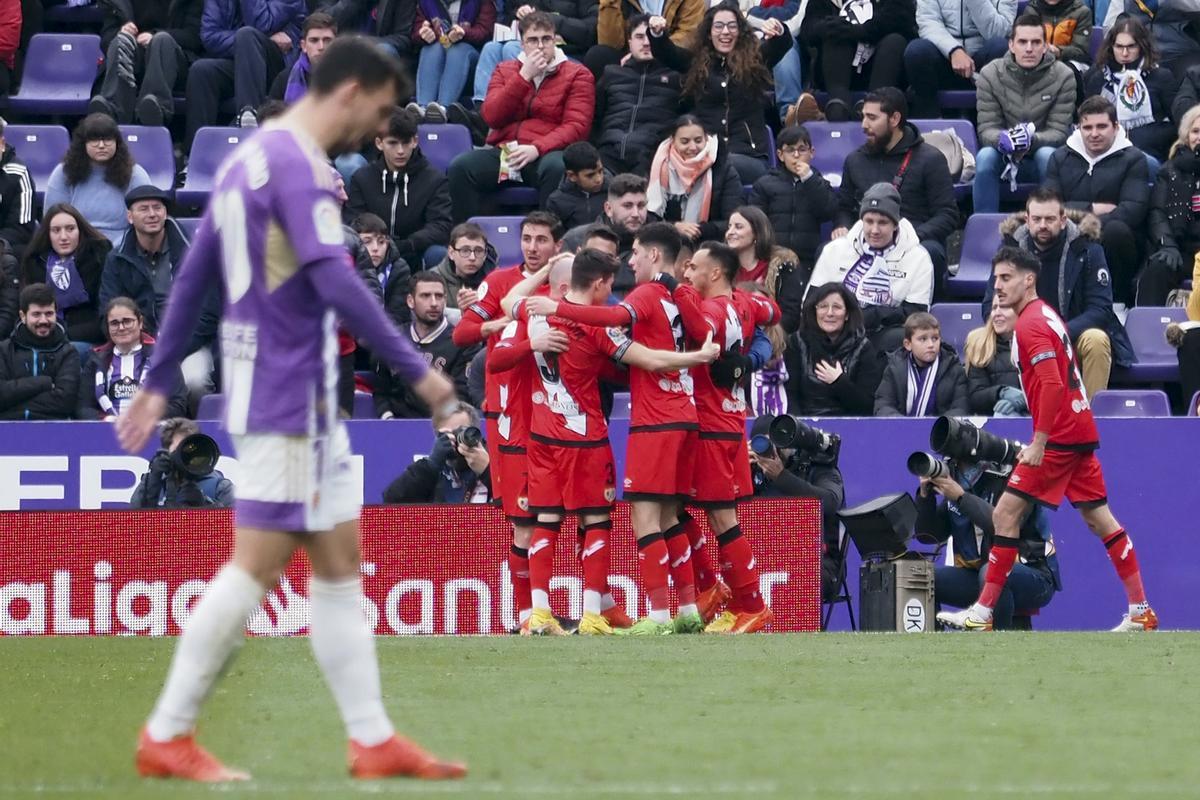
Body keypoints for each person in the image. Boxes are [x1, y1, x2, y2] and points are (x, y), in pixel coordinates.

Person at [114, 36, 466, 781]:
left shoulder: (248, 157)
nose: (371, 131)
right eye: (372, 113)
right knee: (255, 569)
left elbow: (195, 273)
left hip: (280, 389)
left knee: (341, 565)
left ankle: (372, 738)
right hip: (288, 391)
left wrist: (156, 374)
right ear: (350, 90)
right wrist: (421, 375)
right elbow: (334, 283)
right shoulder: (302, 168)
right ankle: (168, 733)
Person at [937, 246, 1158, 632]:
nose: (999, 286)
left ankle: (983, 612)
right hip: (1078, 429)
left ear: (1029, 279)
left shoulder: (1030, 324)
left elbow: (1054, 383)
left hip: (1058, 436)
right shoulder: (1046, 316)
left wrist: (1039, 440)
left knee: (1005, 515)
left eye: (1006, 278)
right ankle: (1140, 609)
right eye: (996, 278)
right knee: (1099, 520)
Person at [500, 249, 719, 635]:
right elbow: (649, 360)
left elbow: (506, 300)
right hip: (584, 438)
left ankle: (539, 614)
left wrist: (543, 274)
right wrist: (698, 356)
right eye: (609, 285)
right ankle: (590, 615)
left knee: (547, 521)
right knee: (597, 521)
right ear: (600, 283)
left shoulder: (537, 312)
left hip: (542, 435)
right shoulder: (599, 328)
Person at [451, 210, 564, 636]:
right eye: (528, 239)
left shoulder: (566, 283)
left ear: (557, 245)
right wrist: (504, 321)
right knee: (523, 517)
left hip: (560, 412)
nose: (533, 247)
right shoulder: (500, 283)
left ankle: (588, 606)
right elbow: (463, 334)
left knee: (569, 515)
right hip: (510, 415)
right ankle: (526, 615)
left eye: (542, 240)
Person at [447, 11, 596, 221]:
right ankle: (466, 241)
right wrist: (523, 77)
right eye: (533, 40)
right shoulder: (505, 70)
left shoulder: (578, 74)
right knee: (461, 167)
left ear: (556, 41)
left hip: (546, 152)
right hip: (507, 152)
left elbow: (577, 126)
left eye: (546, 39)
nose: (541, 46)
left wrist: (537, 148)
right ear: (522, 43)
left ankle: (547, 237)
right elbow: (491, 117)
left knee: (557, 167)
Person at [991, 188, 1134, 399]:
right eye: (1037, 219)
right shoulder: (1010, 251)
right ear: (1027, 220)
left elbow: (1100, 309)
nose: (1042, 226)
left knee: (1096, 339)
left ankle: (1091, 418)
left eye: (1049, 219)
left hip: (1072, 333)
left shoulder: (1088, 249)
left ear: (1063, 219)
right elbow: (990, 302)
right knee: (978, 337)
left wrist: (1058, 332)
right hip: (1025, 335)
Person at [648, 2, 793, 184]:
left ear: (740, 32)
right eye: (719, 26)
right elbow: (666, 52)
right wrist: (656, 33)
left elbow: (782, 44)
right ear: (709, 33)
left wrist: (779, 30)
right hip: (705, 156)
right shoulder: (696, 62)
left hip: (749, 157)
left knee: (719, 167)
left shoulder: (755, 61)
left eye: (732, 26)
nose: (726, 32)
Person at [99, 185, 219, 401]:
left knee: (195, 383)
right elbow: (109, 308)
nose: (152, 214)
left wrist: (173, 348)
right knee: (126, 388)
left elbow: (209, 312)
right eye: (143, 209)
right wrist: (147, 348)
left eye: (157, 207)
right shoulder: (116, 258)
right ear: (130, 216)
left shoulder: (195, 252)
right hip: (138, 346)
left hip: (188, 344)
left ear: (165, 213)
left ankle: (190, 434)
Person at [833, 89, 959, 293]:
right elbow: (844, 207)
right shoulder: (855, 160)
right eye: (863, 117)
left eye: (872, 118)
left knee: (930, 252)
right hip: (866, 238)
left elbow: (948, 214)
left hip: (914, 241)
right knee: (827, 251)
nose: (864, 125)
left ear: (895, 119)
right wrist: (843, 226)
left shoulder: (930, 159)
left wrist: (911, 237)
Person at [916, 452, 1059, 630]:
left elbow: (1001, 526)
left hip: (1035, 577)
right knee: (925, 580)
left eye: (964, 466)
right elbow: (927, 535)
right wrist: (925, 497)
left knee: (991, 570)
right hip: (979, 576)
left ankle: (999, 644)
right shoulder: (955, 493)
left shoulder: (1010, 484)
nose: (960, 471)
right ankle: (933, 649)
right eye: (954, 464)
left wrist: (961, 497)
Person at [1043, 96, 1150, 305]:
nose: (1094, 134)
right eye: (1087, 127)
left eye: (1102, 126)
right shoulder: (1059, 157)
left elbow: (1133, 210)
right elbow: (1049, 206)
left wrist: (1087, 225)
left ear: (1116, 127)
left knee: (1116, 232)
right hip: (1069, 231)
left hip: (1114, 237)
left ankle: (1118, 304)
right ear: (1078, 128)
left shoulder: (1134, 158)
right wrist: (1091, 209)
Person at [808, 182, 933, 353]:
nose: (874, 230)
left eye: (882, 222)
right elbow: (811, 300)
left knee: (899, 338)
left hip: (883, 331)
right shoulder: (835, 250)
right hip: (837, 326)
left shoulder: (918, 257)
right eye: (869, 221)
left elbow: (917, 314)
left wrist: (873, 315)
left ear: (896, 224)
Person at [973, 13, 1076, 213]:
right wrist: (1005, 139)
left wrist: (1028, 139)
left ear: (1046, 46)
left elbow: (1060, 132)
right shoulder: (990, 74)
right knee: (985, 156)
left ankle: (1050, 222)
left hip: (1042, 152)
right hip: (1002, 154)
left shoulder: (1064, 75)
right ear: (1011, 45)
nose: (1029, 48)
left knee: (1048, 156)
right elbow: (986, 129)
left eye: (1036, 42)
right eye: (1022, 42)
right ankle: (983, 228)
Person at [462, 0, 599, 135]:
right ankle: (481, 112)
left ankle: (515, 115)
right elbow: (510, 22)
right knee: (491, 48)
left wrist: (551, 20)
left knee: (511, 48)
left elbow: (591, 30)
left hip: (569, 55)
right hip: (528, 44)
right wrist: (520, 14)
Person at [747, 413, 846, 600]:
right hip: (761, 559)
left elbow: (830, 502)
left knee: (796, 576)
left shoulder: (818, 468)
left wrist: (781, 477)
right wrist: (739, 472)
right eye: (762, 446)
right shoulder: (750, 473)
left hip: (816, 562)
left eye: (775, 445)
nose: (771, 452)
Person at [347, 107, 453, 271]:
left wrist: (409, 244)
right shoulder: (362, 179)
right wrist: (378, 243)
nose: (401, 151)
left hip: (415, 252)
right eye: (393, 143)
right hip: (371, 252)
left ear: (415, 141)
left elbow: (440, 226)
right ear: (379, 143)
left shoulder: (434, 179)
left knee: (437, 253)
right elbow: (354, 221)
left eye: (406, 143)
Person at [184, 0, 305, 139]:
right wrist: (245, 44)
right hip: (240, 61)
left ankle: (248, 116)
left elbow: (263, 23)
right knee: (201, 70)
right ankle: (196, 151)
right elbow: (210, 37)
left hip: (278, 63)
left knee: (247, 35)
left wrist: (248, 41)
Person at [375, 270, 475, 418]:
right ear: (410, 301)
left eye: (439, 296)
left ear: (445, 300)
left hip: (443, 427)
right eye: (425, 296)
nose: (434, 303)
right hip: (397, 425)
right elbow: (381, 389)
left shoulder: (461, 341)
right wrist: (387, 417)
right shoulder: (393, 339)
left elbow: (462, 396)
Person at [798, 0, 916, 122]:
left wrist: (860, 31)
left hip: (881, 65)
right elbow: (808, 30)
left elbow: (903, 21)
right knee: (834, 36)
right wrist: (830, 26)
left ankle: (874, 106)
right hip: (839, 68)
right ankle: (838, 107)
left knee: (894, 41)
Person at [593, 15, 683, 176]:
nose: (647, 43)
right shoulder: (612, 73)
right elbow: (595, 117)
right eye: (640, 37)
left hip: (652, 156)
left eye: (650, 37)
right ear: (629, 42)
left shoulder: (677, 77)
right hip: (609, 151)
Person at [42, 113, 152, 244]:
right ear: (83, 144)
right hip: (77, 246)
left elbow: (146, 219)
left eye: (108, 139)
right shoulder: (63, 172)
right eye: (94, 140)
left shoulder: (135, 174)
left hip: (123, 249)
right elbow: (53, 218)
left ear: (117, 143)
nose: (101, 145)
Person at [90, 0, 204, 126]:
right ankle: (112, 110)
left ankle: (156, 108)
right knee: (120, 41)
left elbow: (193, 37)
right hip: (135, 61)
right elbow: (106, 39)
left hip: (173, 62)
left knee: (162, 40)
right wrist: (121, 31)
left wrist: (154, 35)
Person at [748, 124, 838, 278]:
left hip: (807, 262)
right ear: (780, 155)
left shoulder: (818, 183)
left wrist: (809, 179)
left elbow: (828, 212)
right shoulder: (765, 184)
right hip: (771, 260)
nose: (796, 155)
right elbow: (754, 222)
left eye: (802, 149)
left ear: (812, 153)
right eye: (790, 150)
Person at [79, 296, 189, 421]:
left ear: (140, 322)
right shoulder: (95, 360)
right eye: (114, 323)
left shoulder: (163, 358)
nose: (121, 328)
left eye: (127, 321)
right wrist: (108, 420)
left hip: (152, 431)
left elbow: (178, 405)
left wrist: (144, 417)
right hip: (105, 432)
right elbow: (84, 408)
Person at [783, 282, 883, 416]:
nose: (829, 313)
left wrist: (839, 382)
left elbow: (867, 406)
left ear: (847, 314)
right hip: (805, 426)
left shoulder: (863, 348)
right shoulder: (797, 343)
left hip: (849, 426)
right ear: (815, 311)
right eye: (823, 306)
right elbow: (790, 396)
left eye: (837, 307)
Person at [903, 0, 1015, 119]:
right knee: (917, 51)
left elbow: (1000, 32)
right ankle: (931, 120)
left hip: (982, 61)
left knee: (1001, 47)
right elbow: (928, 23)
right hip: (944, 57)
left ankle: (988, 120)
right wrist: (954, 50)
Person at [20, 204, 114, 347]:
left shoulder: (99, 258)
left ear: (80, 231)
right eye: (56, 230)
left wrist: (63, 334)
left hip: (88, 338)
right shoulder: (34, 263)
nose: (63, 237)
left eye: (70, 229)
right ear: (48, 234)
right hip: (42, 337)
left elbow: (106, 315)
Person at [1083, 20, 1176, 163]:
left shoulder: (1161, 77)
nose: (1124, 53)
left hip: (1147, 153)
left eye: (1131, 46)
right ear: (1111, 47)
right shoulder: (1098, 78)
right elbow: (1086, 121)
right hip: (1104, 154)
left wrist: (1139, 137)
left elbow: (1177, 125)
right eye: (1119, 47)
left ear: (1142, 46)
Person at [645, 115, 743, 246]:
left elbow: (733, 220)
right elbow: (646, 217)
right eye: (685, 142)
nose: (692, 147)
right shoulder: (656, 167)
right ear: (673, 141)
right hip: (664, 242)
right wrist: (674, 227)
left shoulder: (723, 170)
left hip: (709, 244)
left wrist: (697, 230)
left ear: (706, 138)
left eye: (698, 140)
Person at [1142, 104, 1200, 306]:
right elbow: (1157, 212)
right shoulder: (1169, 170)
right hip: (1181, 249)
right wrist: (1167, 245)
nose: (1199, 137)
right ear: (1186, 135)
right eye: (1195, 131)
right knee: (1158, 267)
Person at [382, 401, 493, 503]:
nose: (455, 439)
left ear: (474, 431)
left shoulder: (495, 462)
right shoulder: (431, 471)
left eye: (461, 432)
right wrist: (431, 465)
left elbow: (509, 500)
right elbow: (391, 500)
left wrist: (487, 470)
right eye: (447, 435)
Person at [562, 173, 654, 295]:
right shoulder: (575, 239)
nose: (636, 213)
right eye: (628, 206)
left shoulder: (659, 241)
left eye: (641, 206)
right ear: (608, 209)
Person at [0, 283, 81, 420]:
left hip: (55, 432)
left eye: (49, 313)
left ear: (56, 313)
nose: (43, 320)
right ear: (23, 316)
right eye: (36, 314)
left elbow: (65, 402)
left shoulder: (68, 352)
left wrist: (13, 403)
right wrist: (44, 383)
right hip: (8, 431)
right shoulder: (4, 350)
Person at [724, 205, 806, 333]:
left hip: (770, 339)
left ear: (757, 232)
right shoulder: (722, 266)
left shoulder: (783, 264)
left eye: (738, 227)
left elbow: (790, 316)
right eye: (729, 227)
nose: (730, 232)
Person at [873, 309, 969, 417]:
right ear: (908, 344)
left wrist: (934, 426)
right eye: (923, 339)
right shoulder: (894, 368)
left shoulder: (954, 369)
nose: (931, 344)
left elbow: (961, 409)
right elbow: (882, 406)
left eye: (935, 338)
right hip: (902, 431)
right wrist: (904, 424)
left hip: (941, 431)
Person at [410, 0, 495, 119]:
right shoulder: (425, 3)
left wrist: (464, 33)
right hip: (440, 49)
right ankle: (423, 107)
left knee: (457, 50)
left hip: (472, 59)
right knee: (432, 48)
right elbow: (416, 32)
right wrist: (425, 34)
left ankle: (444, 107)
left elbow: (485, 31)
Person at [129, 417, 235, 508]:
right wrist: (153, 483)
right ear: (167, 451)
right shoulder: (154, 482)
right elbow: (135, 525)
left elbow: (237, 526)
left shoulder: (220, 486)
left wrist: (204, 505)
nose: (187, 454)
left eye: (191, 448)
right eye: (180, 448)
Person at [964, 297, 1026, 416]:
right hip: (995, 419)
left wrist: (1024, 400)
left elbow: (1051, 390)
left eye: (1004, 307)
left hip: (1037, 417)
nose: (997, 313)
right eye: (994, 308)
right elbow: (975, 397)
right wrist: (1001, 392)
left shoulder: (1038, 342)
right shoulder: (980, 344)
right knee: (1003, 414)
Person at [432, 221, 497, 317]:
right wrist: (461, 313)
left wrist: (483, 305)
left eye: (478, 251)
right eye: (465, 250)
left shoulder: (498, 280)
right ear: (451, 253)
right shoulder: (433, 280)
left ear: (485, 255)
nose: (472, 257)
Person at [267, 12, 337, 102]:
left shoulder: (350, 77)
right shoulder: (285, 80)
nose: (321, 47)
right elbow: (270, 114)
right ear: (303, 46)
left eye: (327, 40)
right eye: (314, 40)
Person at [546, 142, 609, 231]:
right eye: (590, 175)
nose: (599, 179)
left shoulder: (614, 193)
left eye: (600, 171)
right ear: (572, 176)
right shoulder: (556, 201)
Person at [0, 116, 36, 264]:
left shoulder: (18, 173)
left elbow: (21, 229)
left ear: (2, 143)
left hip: (3, 248)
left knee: (19, 252)